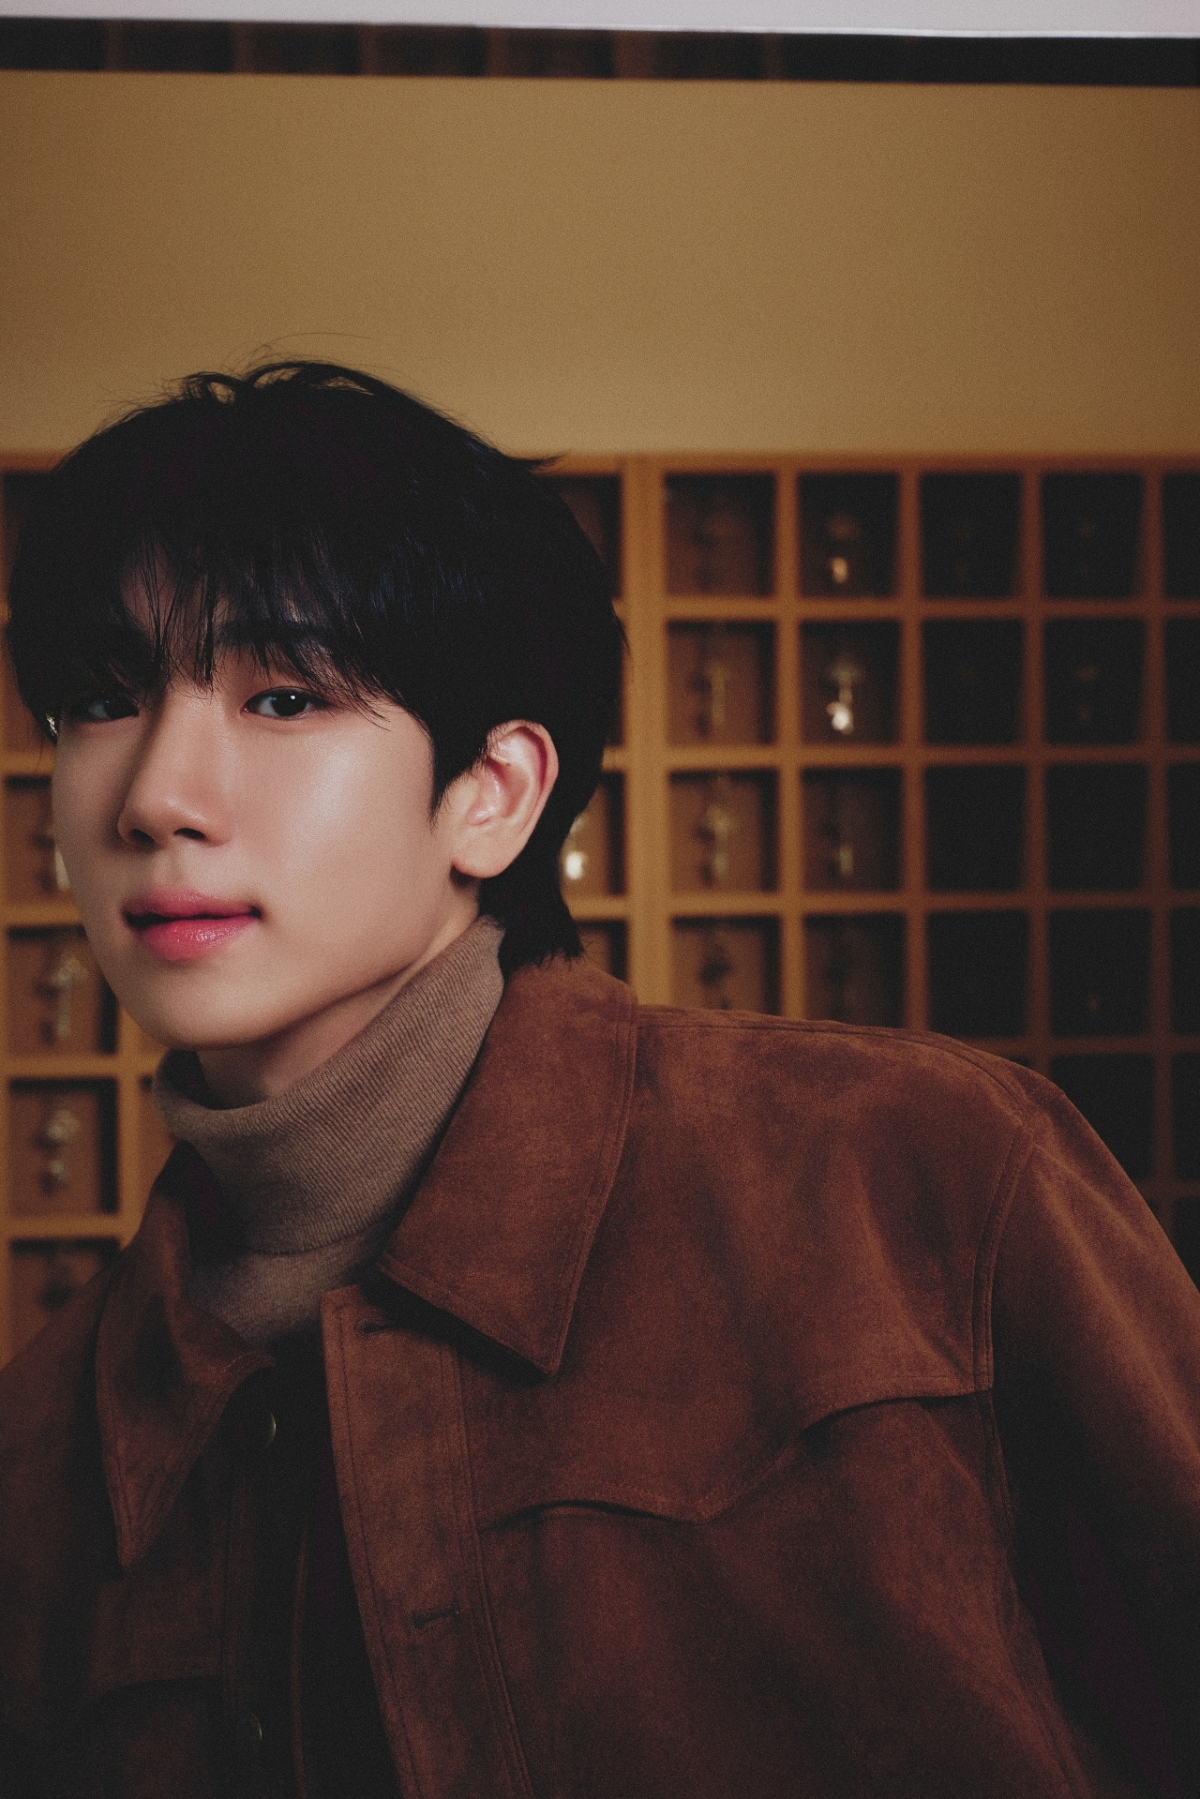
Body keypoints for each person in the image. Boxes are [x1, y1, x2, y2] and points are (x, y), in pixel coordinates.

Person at [0, 361, 1196, 1799]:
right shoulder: (42, 1448)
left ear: (493, 794)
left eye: (283, 694)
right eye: (101, 699)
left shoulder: (923, 1174)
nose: (153, 799)